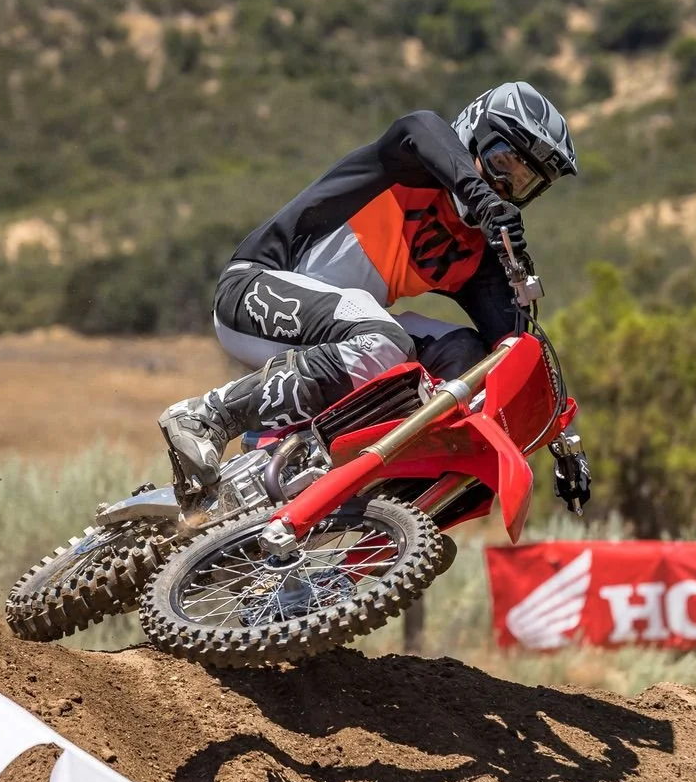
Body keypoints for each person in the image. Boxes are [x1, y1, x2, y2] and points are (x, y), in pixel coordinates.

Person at [159, 80, 592, 512]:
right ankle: (208, 416)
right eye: (503, 162)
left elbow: (520, 350)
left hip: (340, 340)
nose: (505, 186)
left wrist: (564, 443)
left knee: (471, 364)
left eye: (523, 183)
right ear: (475, 131)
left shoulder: (474, 255)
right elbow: (418, 127)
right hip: (251, 291)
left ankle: (356, 515)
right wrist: (482, 199)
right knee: (386, 340)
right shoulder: (410, 160)